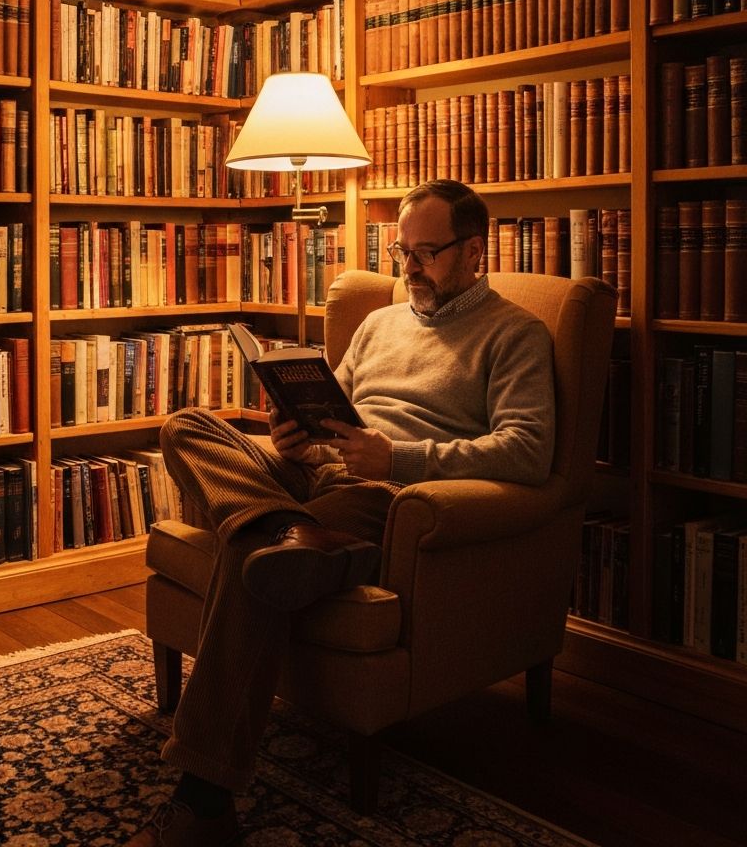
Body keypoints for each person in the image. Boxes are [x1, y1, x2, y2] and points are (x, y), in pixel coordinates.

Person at [125, 179, 556, 846]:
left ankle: (204, 797)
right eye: (402, 252)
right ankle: (291, 533)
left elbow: (528, 452)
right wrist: (293, 432)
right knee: (186, 425)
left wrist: (399, 460)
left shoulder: (514, 334)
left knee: (248, 557)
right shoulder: (381, 322)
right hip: (315, 470)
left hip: (381, 489)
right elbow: (335, 406)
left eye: (426, 253)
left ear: (475, 250)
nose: (408, 269)